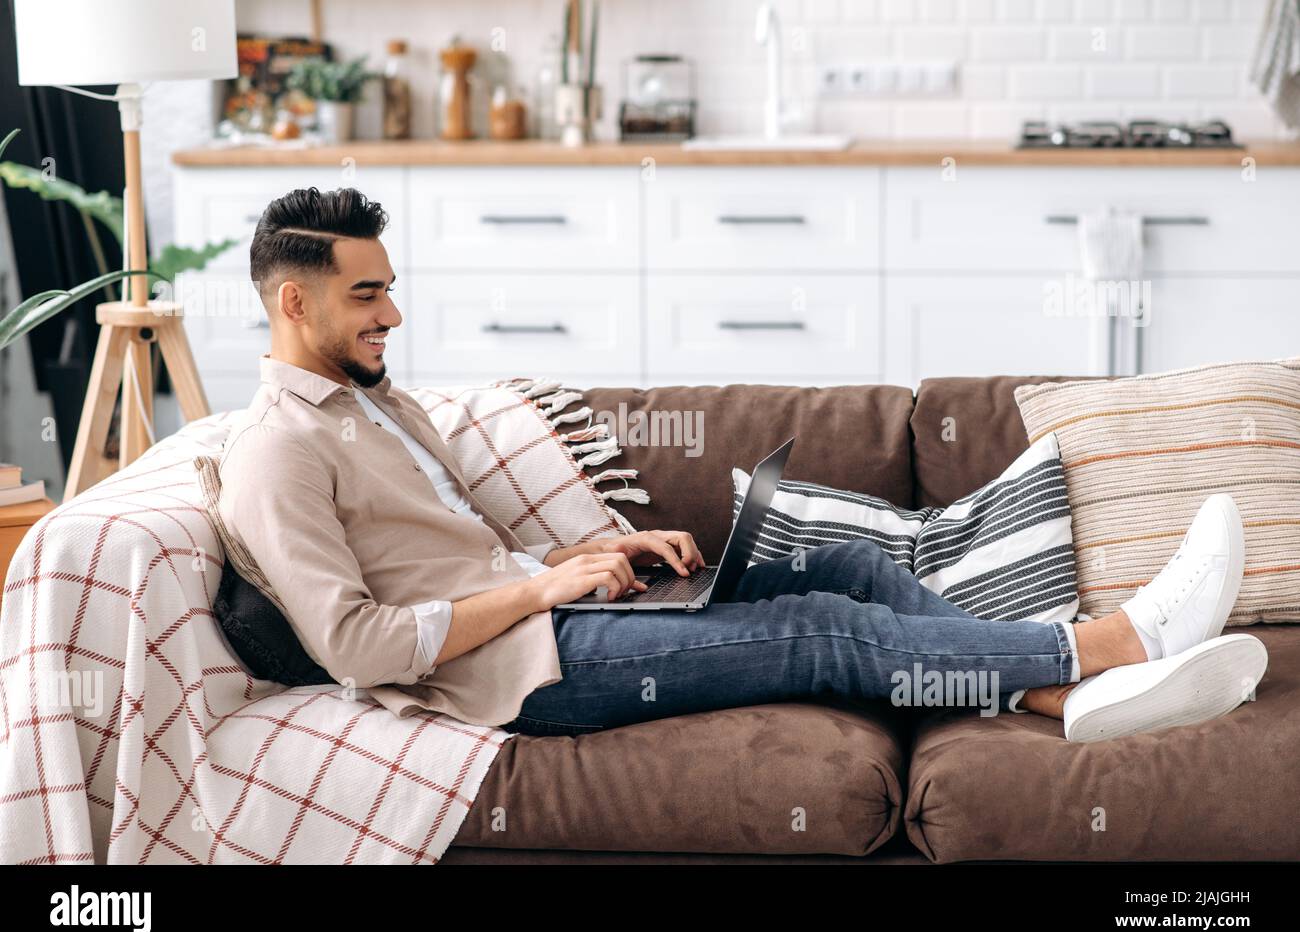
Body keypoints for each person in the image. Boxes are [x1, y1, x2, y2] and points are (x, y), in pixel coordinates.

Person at [217, 186, 1267, 745]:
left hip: (555, 612)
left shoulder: (381, 404)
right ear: (293, 304)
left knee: (851, 569)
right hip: (524, 677)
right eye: (366, 295)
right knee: (824, 632)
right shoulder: (278, 452)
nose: (393, 312)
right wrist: (544, 586)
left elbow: (457, 557)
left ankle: (1053, 697)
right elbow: (357, 645)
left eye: (391, 287)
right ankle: (1110, 643)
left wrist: (589, 548)